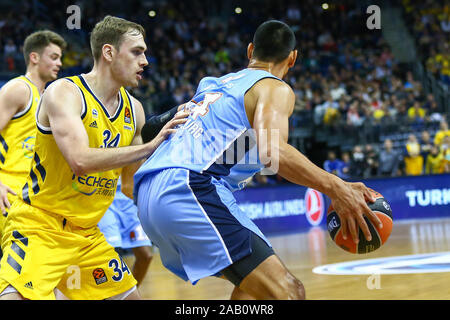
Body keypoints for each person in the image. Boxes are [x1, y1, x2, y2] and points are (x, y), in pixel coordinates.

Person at [133, 20, 381, 300]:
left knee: (251, 291)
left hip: (148, 193)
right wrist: (337, 187)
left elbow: (151, 128)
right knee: (287, 293)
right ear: (292, 58)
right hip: (189, 187)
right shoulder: (274, 88)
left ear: (250, 50)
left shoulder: (214, 85)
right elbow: (273, 152)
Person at [0, 16, 188, 300]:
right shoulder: (64, 92)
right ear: (109, 52)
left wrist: (184, 184)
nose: (146, 61)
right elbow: (80, 160)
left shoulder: (134, 110)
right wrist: (152, 145)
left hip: (88, 235)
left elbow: (129, 185)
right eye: (137, 51)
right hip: (40, 226)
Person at [0, 30, 66, 256]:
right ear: (34, 57)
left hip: (35, 195)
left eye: (60, 58)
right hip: (9, 191)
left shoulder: (50, 97)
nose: (59, 63)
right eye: (54, 57)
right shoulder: (19, 89)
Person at [98, 178, 153, 287]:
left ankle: (129, 294)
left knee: (146, 255)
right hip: (103, 192)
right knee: (110, 254)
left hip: (129, 196)